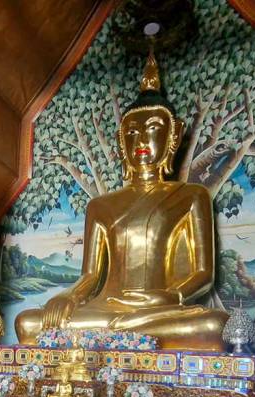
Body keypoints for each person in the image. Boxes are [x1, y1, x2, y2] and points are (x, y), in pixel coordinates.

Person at [14, 51, 228, 350]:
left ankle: (117, 335)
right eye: (131, 132)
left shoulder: (191, 195)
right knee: (28, 323)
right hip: (104, 310)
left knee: (213, 325)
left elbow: (203, 275)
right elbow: (90, 275)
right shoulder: (100, 205)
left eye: (152, 129)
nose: (140, 141)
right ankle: (121, 334)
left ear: (174, 135)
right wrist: (68, 296)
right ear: (121, 141)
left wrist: (172, 296)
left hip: (158, 310)